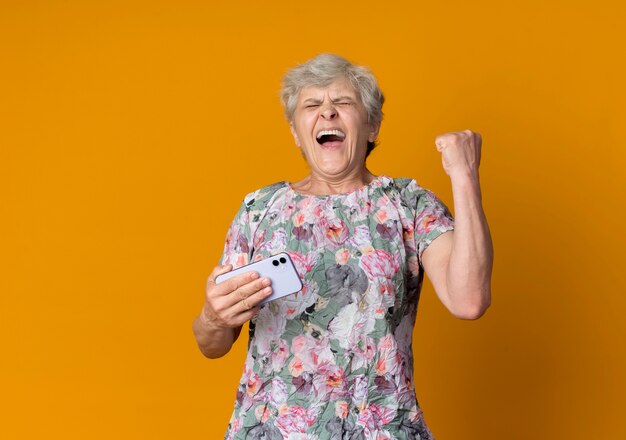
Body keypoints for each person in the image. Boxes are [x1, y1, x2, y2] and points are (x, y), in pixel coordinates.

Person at [192, 53, 493, 439]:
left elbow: (469, 299)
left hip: (381, 427)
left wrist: (464, 174)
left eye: (343, 103)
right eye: (312, 105)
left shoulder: (408, 204)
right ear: (296, 133)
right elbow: (213, 345)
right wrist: (212, 317)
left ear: (372, 126)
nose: (327, 114)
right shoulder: (259, 210)